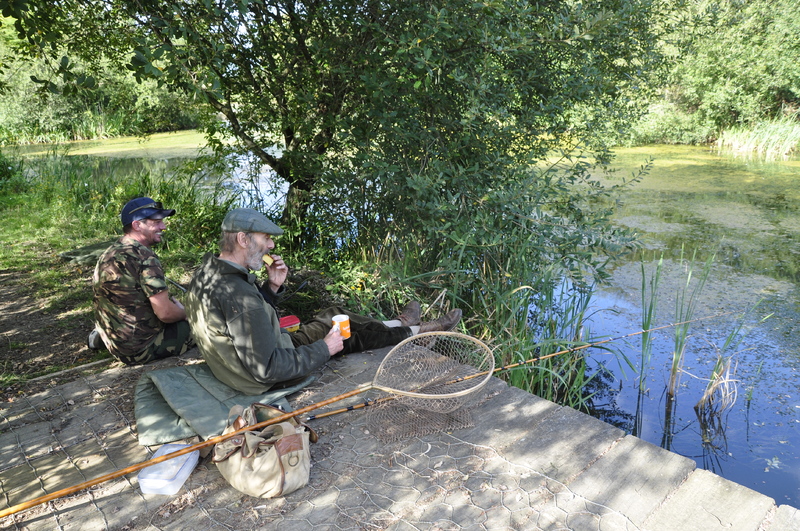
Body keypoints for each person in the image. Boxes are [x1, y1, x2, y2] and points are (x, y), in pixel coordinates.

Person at [184, 208, 462, 395]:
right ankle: (417, 332)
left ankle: (401, 325)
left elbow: (242, 324)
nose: (270, 246)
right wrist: (325, 349)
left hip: (253, 355)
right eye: (266, 238)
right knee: (347, 334)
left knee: (334, 314)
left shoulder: (209, 273)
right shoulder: (239, 295)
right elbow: (267, 369)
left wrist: (271, 287)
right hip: (258, 376)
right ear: (243, 239)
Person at [90, 197, 194, 365]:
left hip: (114, 342)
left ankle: (99, 338)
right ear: (137, 225)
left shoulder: (109, 252)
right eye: (157, 222)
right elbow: (166, 314)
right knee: (206, 324)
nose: (163, 227)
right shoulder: (145, 257)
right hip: (140, 349)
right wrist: (187, 314)